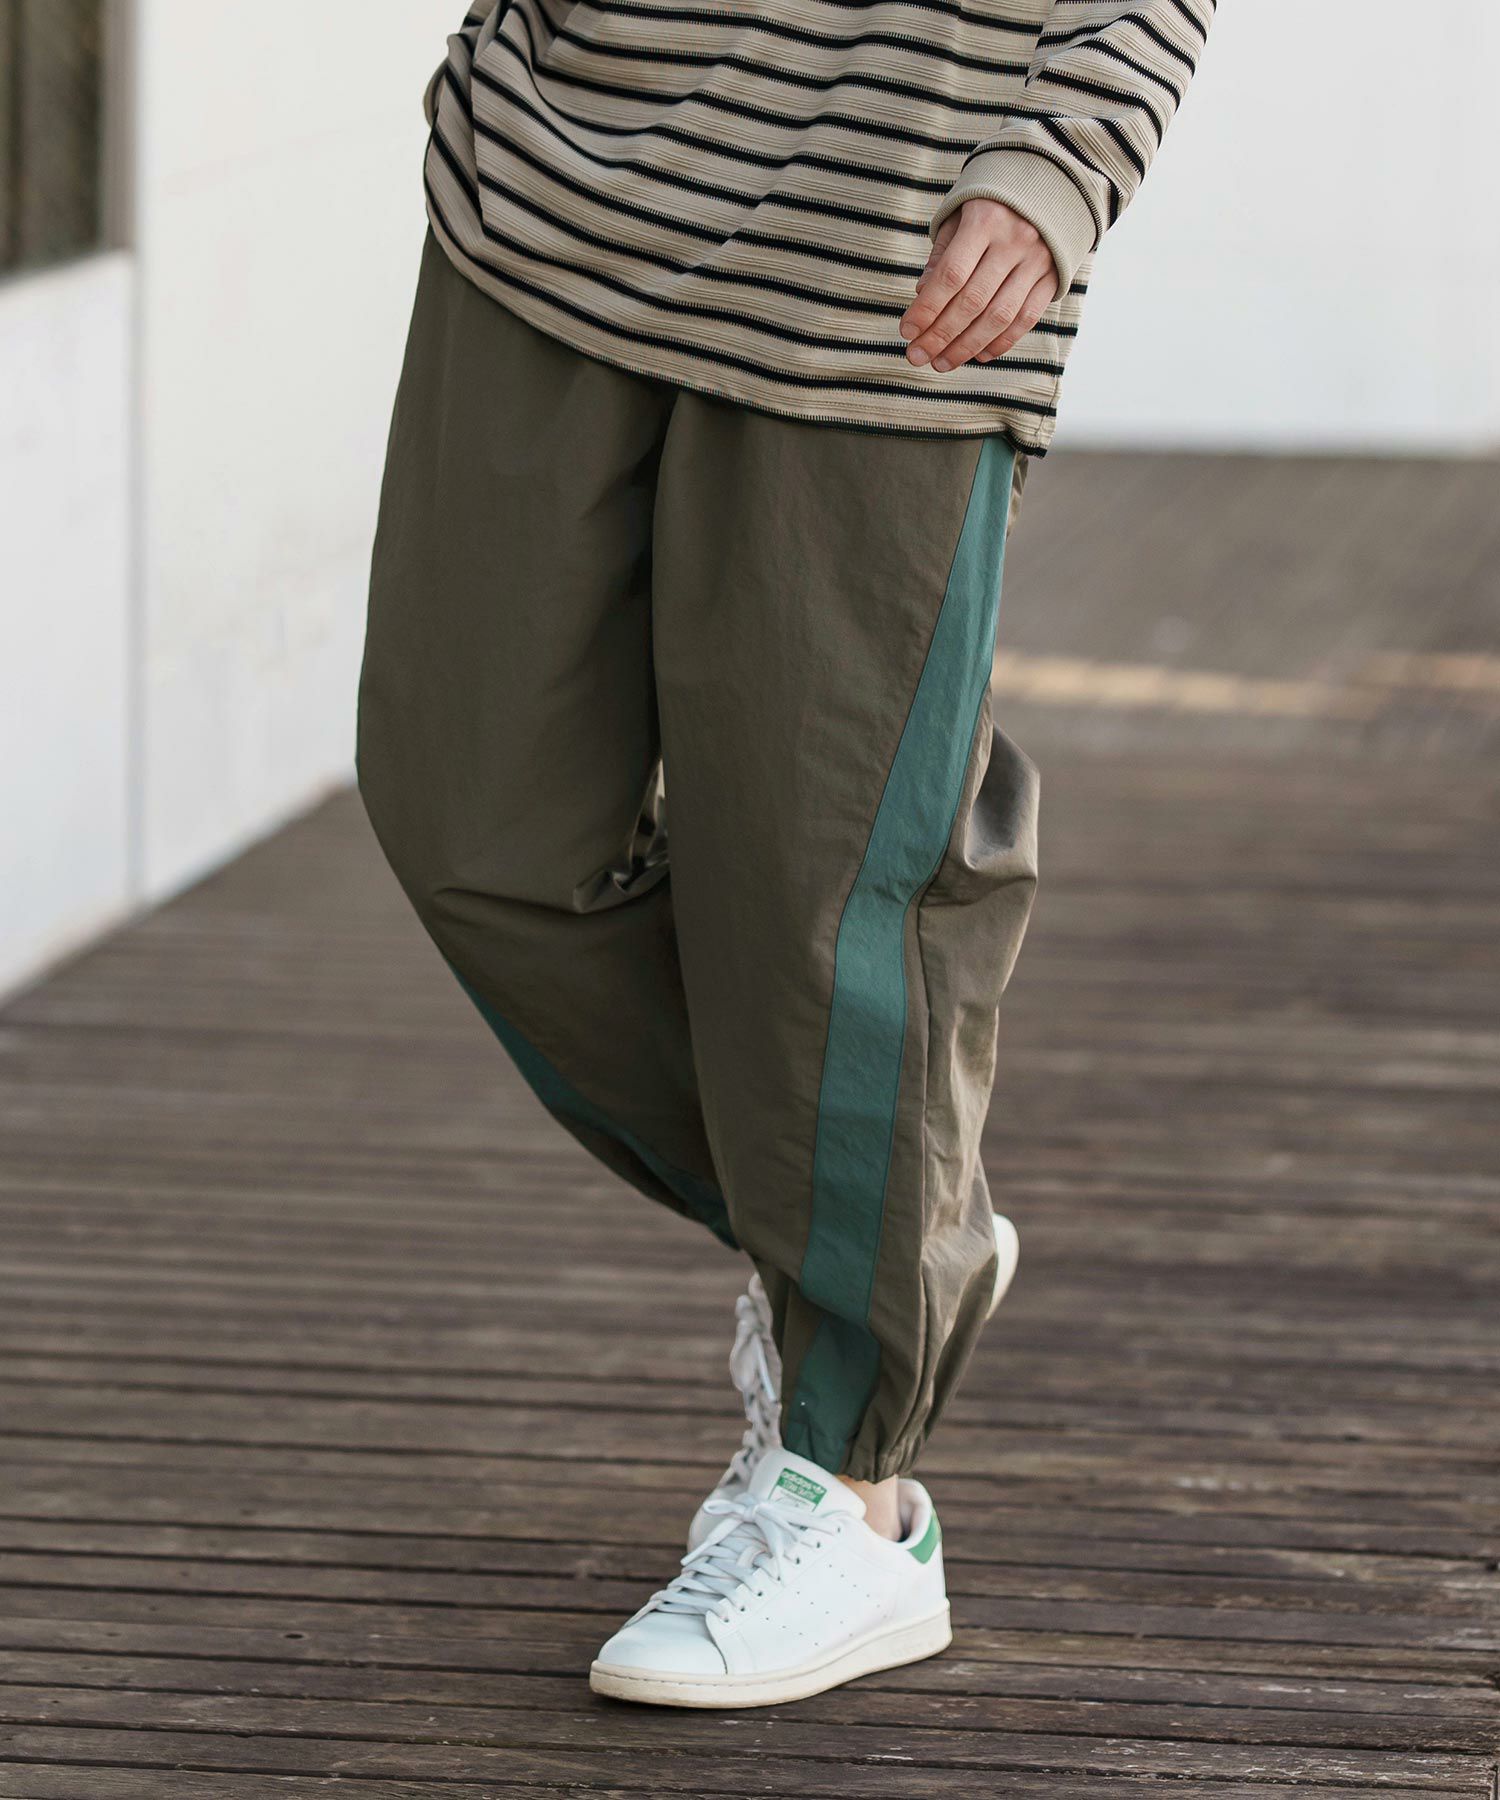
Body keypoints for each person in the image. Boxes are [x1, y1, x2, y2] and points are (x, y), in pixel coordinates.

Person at [357, 0, 1213, 1709]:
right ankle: (898, 1226)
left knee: (823, 887)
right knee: (471, 821)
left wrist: (1061, 160)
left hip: (889, 247)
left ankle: (852, 1495)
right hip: (549, 187)